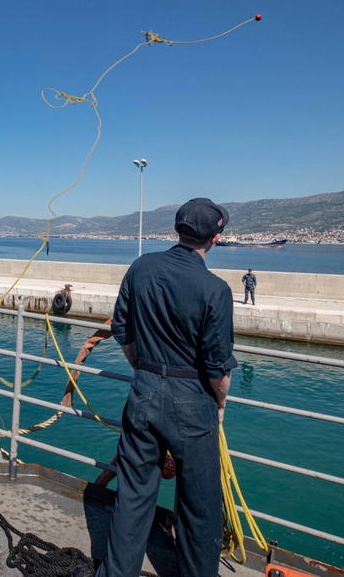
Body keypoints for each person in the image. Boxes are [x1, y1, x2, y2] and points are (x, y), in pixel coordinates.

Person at [93, 197, 237, 577]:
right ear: (216, 237)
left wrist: (142, 369)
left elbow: (121, 331)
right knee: (199, 508)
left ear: (177, 229)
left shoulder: (141, 267)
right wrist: (220, 405)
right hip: (193, 403)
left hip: (143, 391)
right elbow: (218, 367)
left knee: (132, 497)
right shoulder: (216, 289)